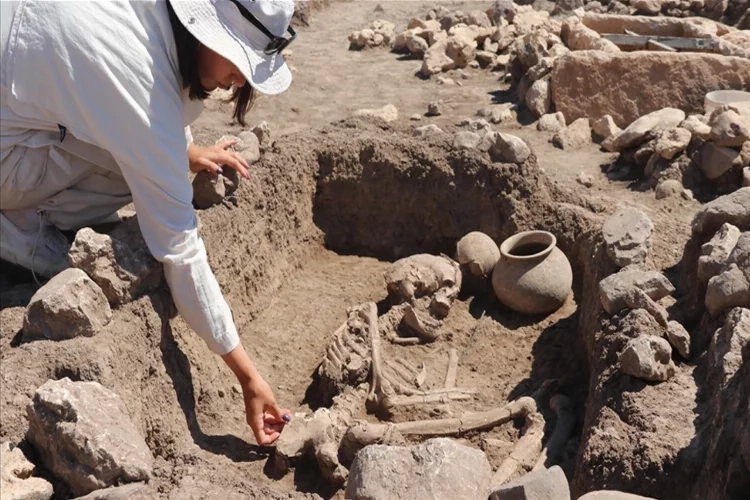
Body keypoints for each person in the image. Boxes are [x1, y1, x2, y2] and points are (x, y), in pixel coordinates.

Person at [0, 0, 297, 445]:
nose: (238, 80)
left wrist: (186, 151)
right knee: (146, 169)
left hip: (17, 100)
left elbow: (143, 87)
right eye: (240, 61)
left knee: (155, 158)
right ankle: (20, 232)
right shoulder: (132, 78)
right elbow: (180, 250)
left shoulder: (145, 17)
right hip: (8, 150)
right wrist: (248, 377)